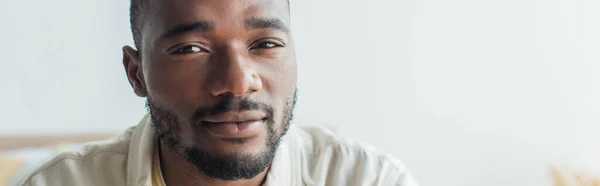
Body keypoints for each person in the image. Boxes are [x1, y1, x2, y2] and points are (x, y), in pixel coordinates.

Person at [21, 0, 417, 185]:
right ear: (136, 72)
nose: (238, 81)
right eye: (191, 49)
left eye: (265, 44)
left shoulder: (367, 180)